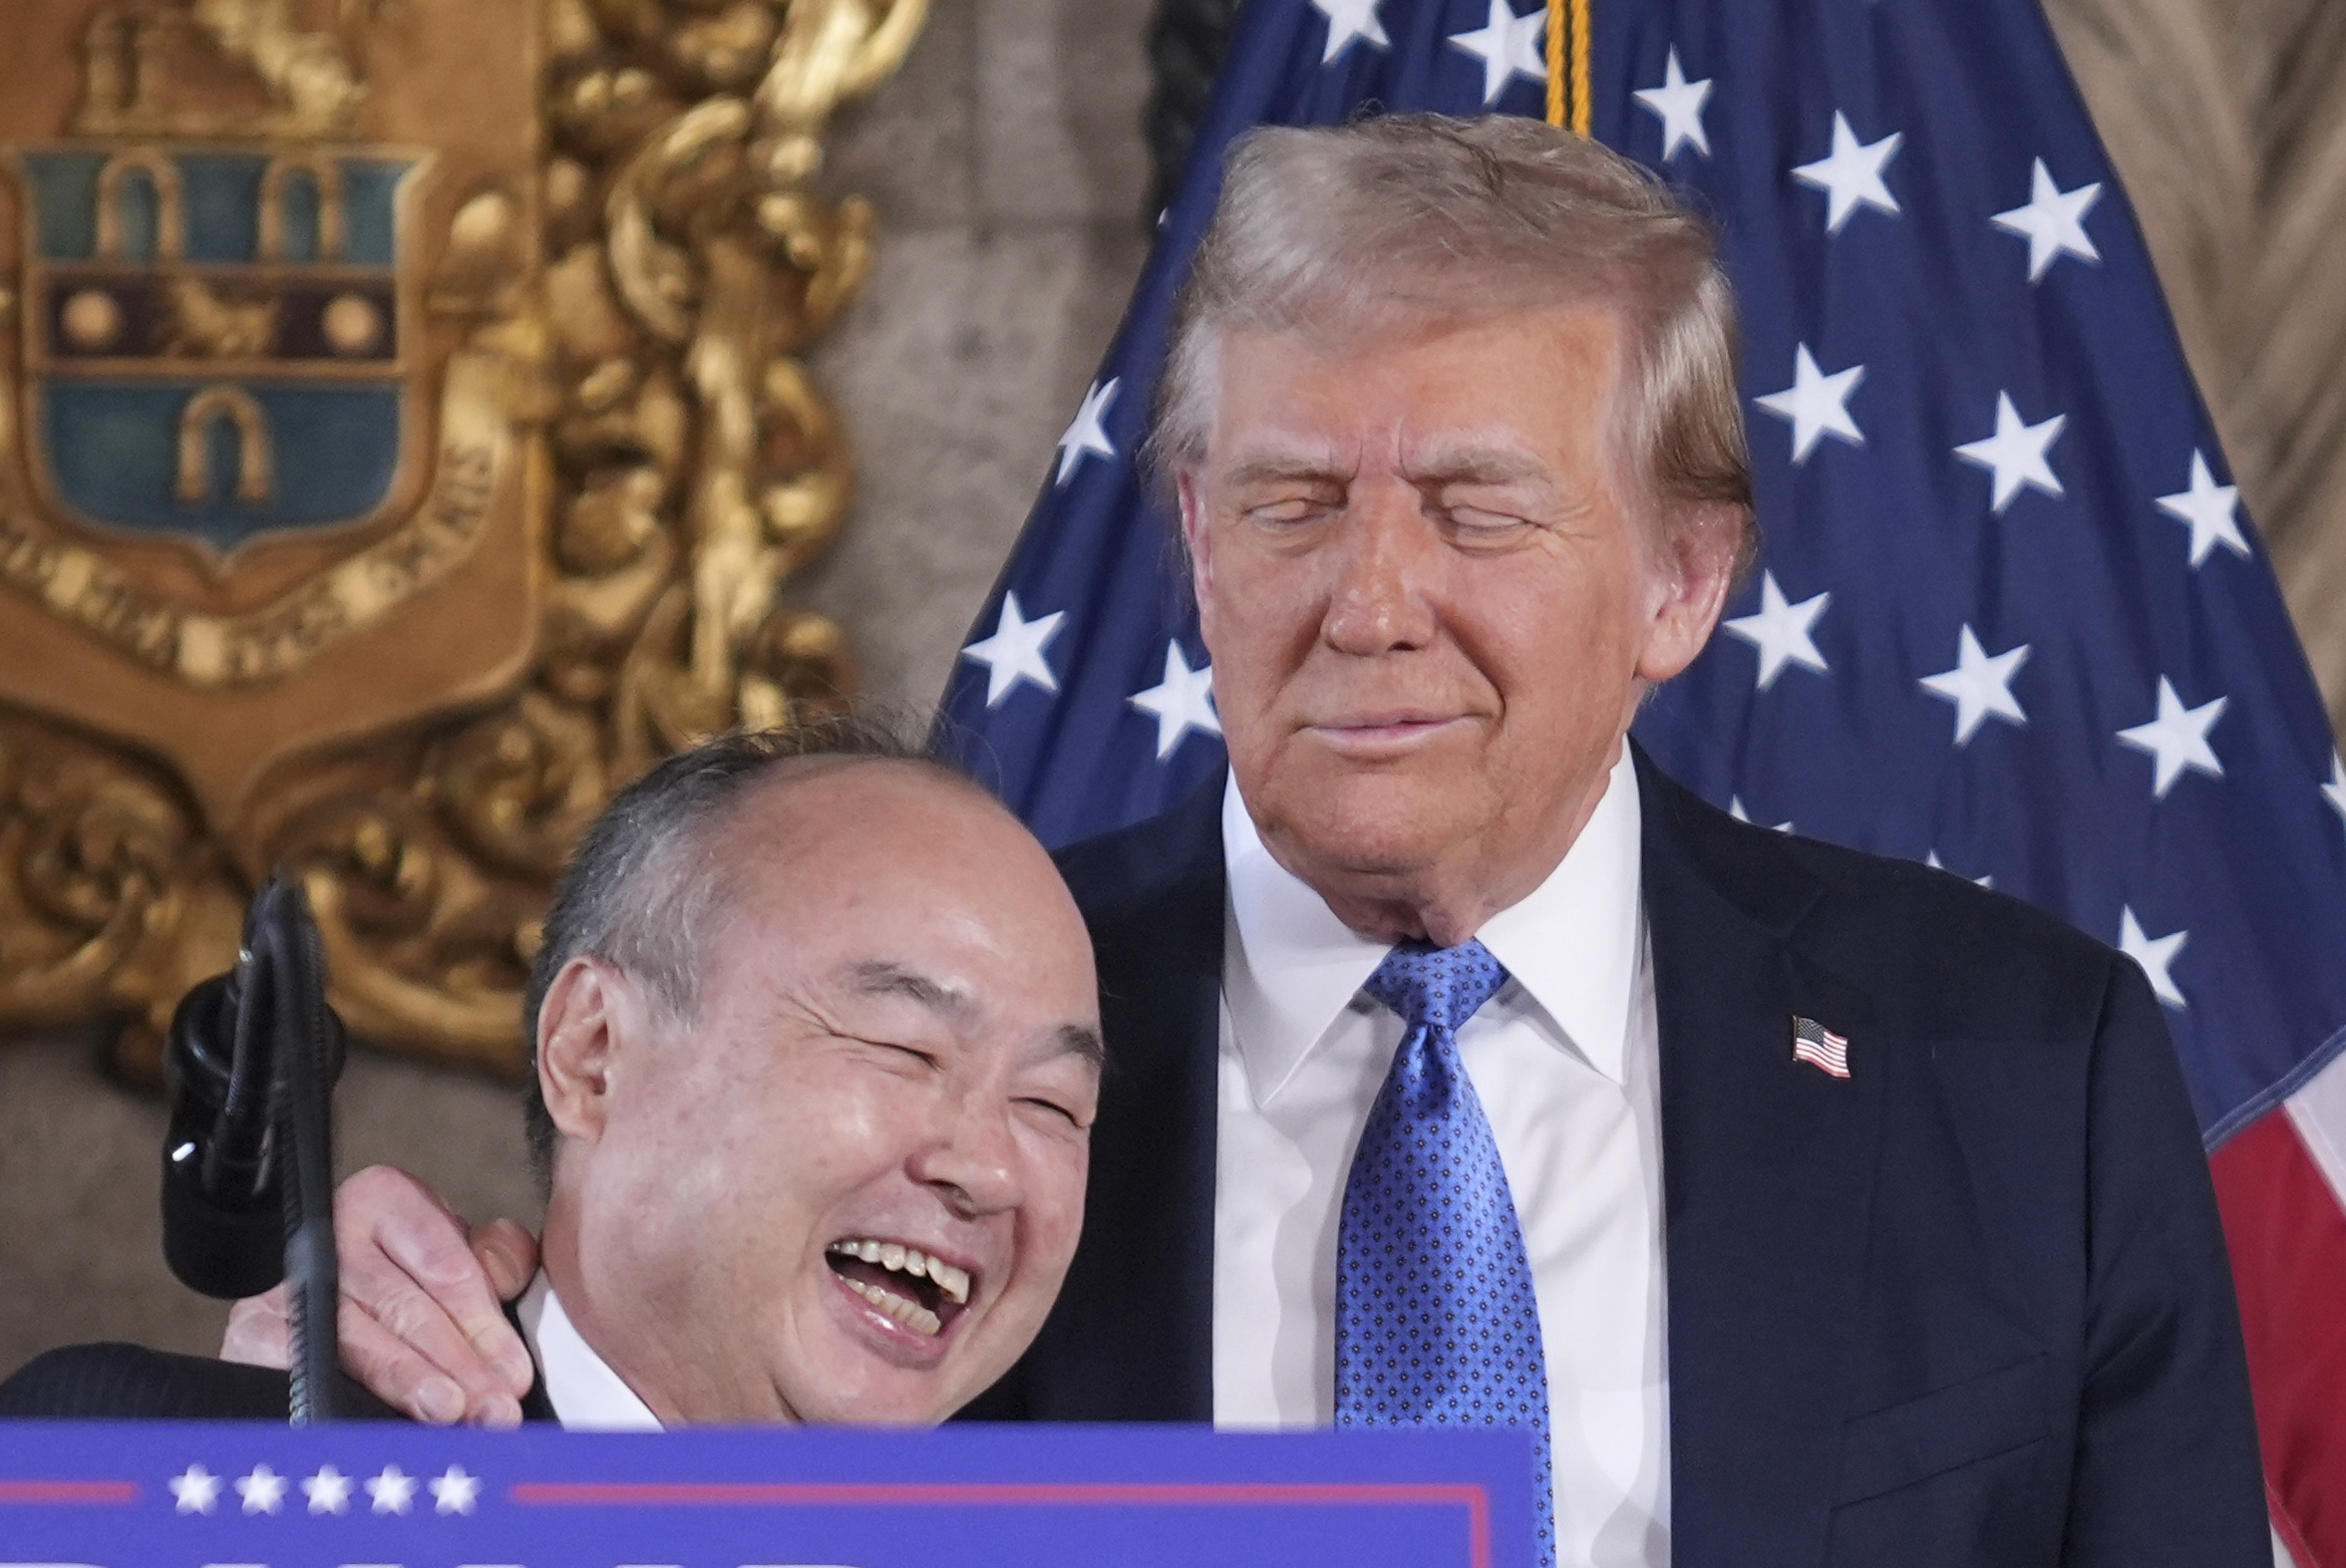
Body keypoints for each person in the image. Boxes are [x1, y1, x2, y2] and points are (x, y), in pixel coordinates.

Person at [223, 115, 2266, 1563]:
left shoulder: (2022, 1073)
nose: (1365, 601)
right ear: (1196, 545)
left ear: (1682, 580)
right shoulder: (960, 1082)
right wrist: (332, 1422)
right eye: (1289, 503)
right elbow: (640, 1420)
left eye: (1472, 506)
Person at [0, 724, 1103, 1426]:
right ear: (593, 1054)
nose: (987, 1167)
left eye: (1052, 1104)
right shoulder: (181, 1500)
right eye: (904, 1048)